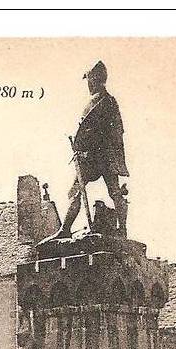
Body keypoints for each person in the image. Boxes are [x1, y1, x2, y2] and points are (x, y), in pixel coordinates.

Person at [60, 60, 129, 236]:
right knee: (76, 190)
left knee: (113, 191)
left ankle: (122, 229)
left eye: (89, 80)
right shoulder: (97, 101)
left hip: (102, 156)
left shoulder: (108, 102)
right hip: (90, 156)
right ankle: (65, 229)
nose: (88, 84)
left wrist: (90, 149)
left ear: (94, 80)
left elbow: (115, 131)